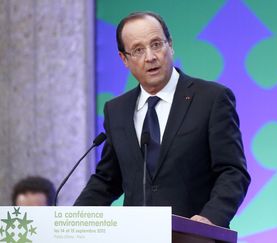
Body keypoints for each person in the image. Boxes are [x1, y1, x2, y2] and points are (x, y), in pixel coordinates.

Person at [74, 11, 250, 228]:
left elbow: (233, 172)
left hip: (193, 238)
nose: (150, 57)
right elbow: (107, 181)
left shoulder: (211, 99)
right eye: (138, 50)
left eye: (156, 44)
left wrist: (210, 218)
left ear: (170, 45)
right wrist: (71, 222)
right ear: (124, 59)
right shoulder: (116, 110)